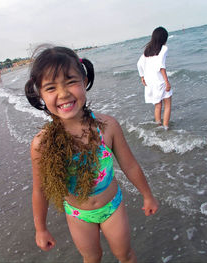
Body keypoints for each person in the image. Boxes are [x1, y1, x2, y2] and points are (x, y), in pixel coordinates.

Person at [25, 45, 159, 263]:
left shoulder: (107, 126)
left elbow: (130, 165)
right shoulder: (42, 144)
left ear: (85, 81)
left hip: (112, 207)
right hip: (78, 215)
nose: (63, 93)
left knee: (125, 255)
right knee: (92, 258)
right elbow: (40, 189)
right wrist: (41, 229)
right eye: (51, 88)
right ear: (39, 94)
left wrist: (147, 195)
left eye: (71, 82)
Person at [137, 27, 172, 130]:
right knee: (167, 105)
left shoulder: (147, 50)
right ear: (164, 38)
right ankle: (165, 128)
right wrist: (167, 82)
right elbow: (161, 65)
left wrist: (142, 76)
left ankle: (158, 126)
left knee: (158, 105)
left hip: (150, 82)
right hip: (160, 81)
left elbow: (139, 64)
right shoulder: (164, 48)